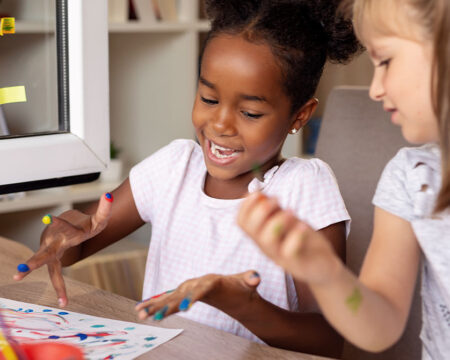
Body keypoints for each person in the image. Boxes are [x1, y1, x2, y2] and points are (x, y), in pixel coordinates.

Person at [13, 0, 360, 356]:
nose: (220, 124)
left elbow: (329, 340)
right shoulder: (174, 167)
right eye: (209, 98)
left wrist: (241, 305)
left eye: (250, 112)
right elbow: (78, 243)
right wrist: (63, 230)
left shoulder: (303, 189)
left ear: (299, 116)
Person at [237, 0, 450, 358]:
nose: (376, 89)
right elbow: (378, 326)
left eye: (384, 61)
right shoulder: (410, 178)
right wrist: (327, 274)